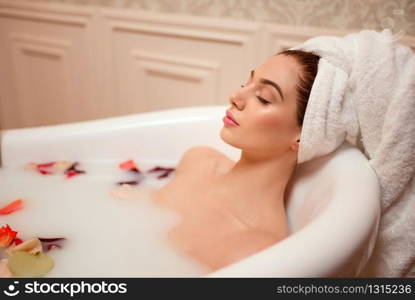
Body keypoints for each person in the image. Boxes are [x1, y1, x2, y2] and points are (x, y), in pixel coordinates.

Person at [150, 50, 320, 272]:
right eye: (245, 83)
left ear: (302, 136)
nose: (235, 96)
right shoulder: (198, 160)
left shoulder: (256, 250)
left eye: (263, 97)